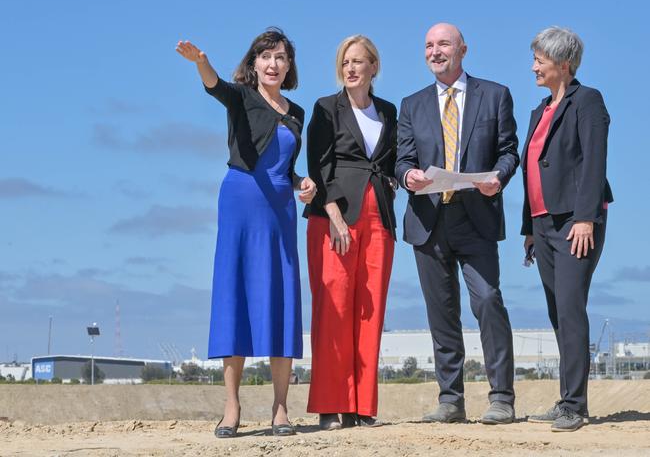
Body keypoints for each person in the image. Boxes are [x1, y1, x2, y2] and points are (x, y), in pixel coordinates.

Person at [175, 28, 317, 438]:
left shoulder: (298, 112)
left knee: (281, 298)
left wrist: (302, 184)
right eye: (266, 56)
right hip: (239, 200)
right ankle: (231, 406)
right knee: (234, 296)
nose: (274, 64)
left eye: (281, 58)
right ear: (253, 63)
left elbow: (287, 168)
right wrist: (201, 62)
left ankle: (280, 409)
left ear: (289, 66)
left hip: (280, 209)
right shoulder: (240, 96)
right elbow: (214, 86)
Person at [395, 23, 519, 424]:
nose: (435, 51)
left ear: (463, 49)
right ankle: (451, 400)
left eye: (443, 44)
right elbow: (402, 161)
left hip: (476, 217)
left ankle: (501, 396)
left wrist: (498, 177)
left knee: (487, 300)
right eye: (428, 45)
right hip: (428, 220)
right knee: (441, 313)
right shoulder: (411, 104)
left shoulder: (495, 95)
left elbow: (508, 151)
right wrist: (407, 177)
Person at [304, 35, 398, 430]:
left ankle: (361, 406)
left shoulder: (389, 112)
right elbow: (318, 163)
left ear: (374, 67)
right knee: (335, 312)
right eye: (346, 62)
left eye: (359, 61)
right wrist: (334, 214)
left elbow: (393, 160)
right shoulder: (326, 108)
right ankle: (330, 404)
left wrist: (395, 181)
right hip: (335, 220)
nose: (351, 68)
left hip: (381, 220)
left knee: (370, 312)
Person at [522, 27, 612, 432]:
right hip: (543, 223)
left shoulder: (587, 101)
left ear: (564, 64)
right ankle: (566, 399)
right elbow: (531, 171)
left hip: (576, 222)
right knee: (558, 312)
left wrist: (585, 217)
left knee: (572, 308)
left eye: (540, 59)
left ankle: (576, 404)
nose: (534, 66)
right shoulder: (538, 110)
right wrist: (528, 227)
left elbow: (594, 161)